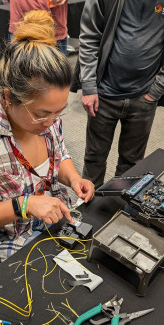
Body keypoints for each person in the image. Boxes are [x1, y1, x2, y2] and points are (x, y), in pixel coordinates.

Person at [0, 10, 94, 267]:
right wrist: (23, 205)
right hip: (5, 237)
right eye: (42, 115)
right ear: (8, 98)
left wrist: (73, 178)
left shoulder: (48, 119)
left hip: (49, 217)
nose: (51, 123)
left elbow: (59, 157)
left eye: (58, 113)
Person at [72, 0, 164, 189]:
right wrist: (89, 86)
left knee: (131, 164)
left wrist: (156, 90)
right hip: (103, 94)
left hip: (144, 96)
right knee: (94, 158)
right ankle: (88, 209)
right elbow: (89, 37)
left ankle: (119, 208)